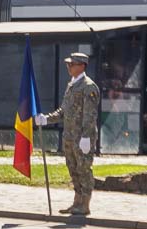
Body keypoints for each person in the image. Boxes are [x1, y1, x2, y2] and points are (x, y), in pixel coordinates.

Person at [35, 53, 99, 217]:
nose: (69, 67)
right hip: (69, 136)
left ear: (82, 66)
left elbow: (90, 114)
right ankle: (77, 202)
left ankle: (85, 204)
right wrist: (47, 119)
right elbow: (64, 111)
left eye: (73, 64)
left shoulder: (89, 86)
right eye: (68, 65)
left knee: (84, 169)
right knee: (73, 169)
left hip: (82, 137)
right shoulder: (72, 85)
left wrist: (86, 136)